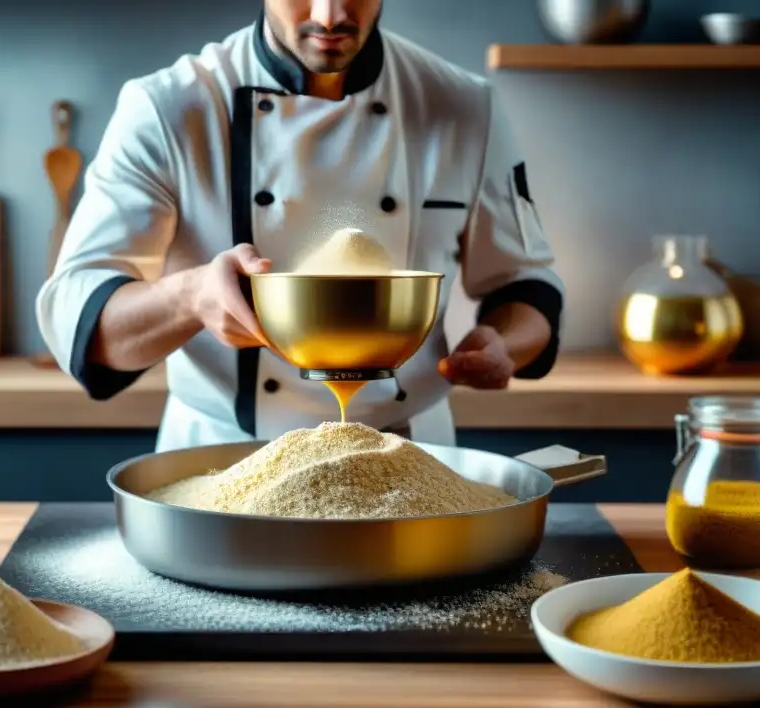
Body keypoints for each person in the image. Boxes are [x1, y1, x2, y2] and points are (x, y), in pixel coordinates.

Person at [36, 0, 565, 452]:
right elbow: (77, 323)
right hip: (222, 463)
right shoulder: (169, 107)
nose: (330, 15)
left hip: (411, 458)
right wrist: (190, 297)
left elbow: (528, 288)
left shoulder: (465, 107)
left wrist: (506, 345)